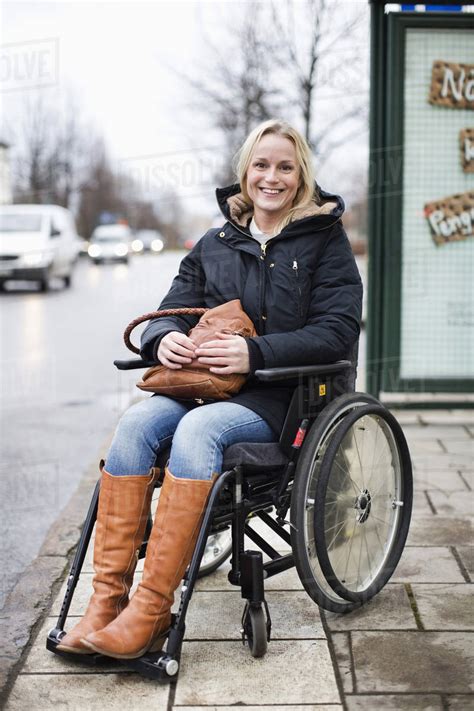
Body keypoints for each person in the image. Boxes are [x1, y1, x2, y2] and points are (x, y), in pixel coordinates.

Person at [57, 118, 363, 660]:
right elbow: (169, 309)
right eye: (261, 165)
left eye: (285, 167)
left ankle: (152, 611)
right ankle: (107, 604)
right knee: (133, 423)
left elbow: (337, 331)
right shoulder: (214, 243)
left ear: (301, 175)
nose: (272, 177)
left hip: (281, 398)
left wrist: (256, 352)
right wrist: (163, 342)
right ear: (245, 171)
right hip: (204, 385)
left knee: (198, 430)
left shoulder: (324, 241)